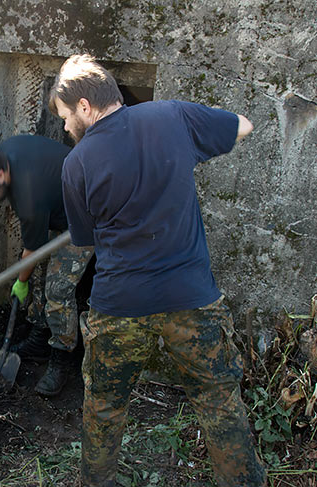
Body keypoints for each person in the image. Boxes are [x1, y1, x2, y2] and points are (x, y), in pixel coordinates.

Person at [49, 54, 266, 486]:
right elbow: (243, 125)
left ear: (86, 107)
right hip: (191, 300)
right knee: (218, 399)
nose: (66, 127)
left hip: (120, 306)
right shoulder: (173, 116)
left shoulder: (76, 164)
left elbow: (87, 238)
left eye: (65, 116)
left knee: (105, 406)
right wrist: (185, 151)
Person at [0, 135, 93, 396]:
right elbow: (36, 253)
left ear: (1, 175)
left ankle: (61, 358)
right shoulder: (4, 152)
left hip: (86, 218)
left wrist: (21, 282)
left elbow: (31, 253)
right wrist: (28, 276)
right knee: (41, 275)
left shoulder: (28, 196)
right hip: (61, 205)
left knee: (58, 289)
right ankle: (40, 338)